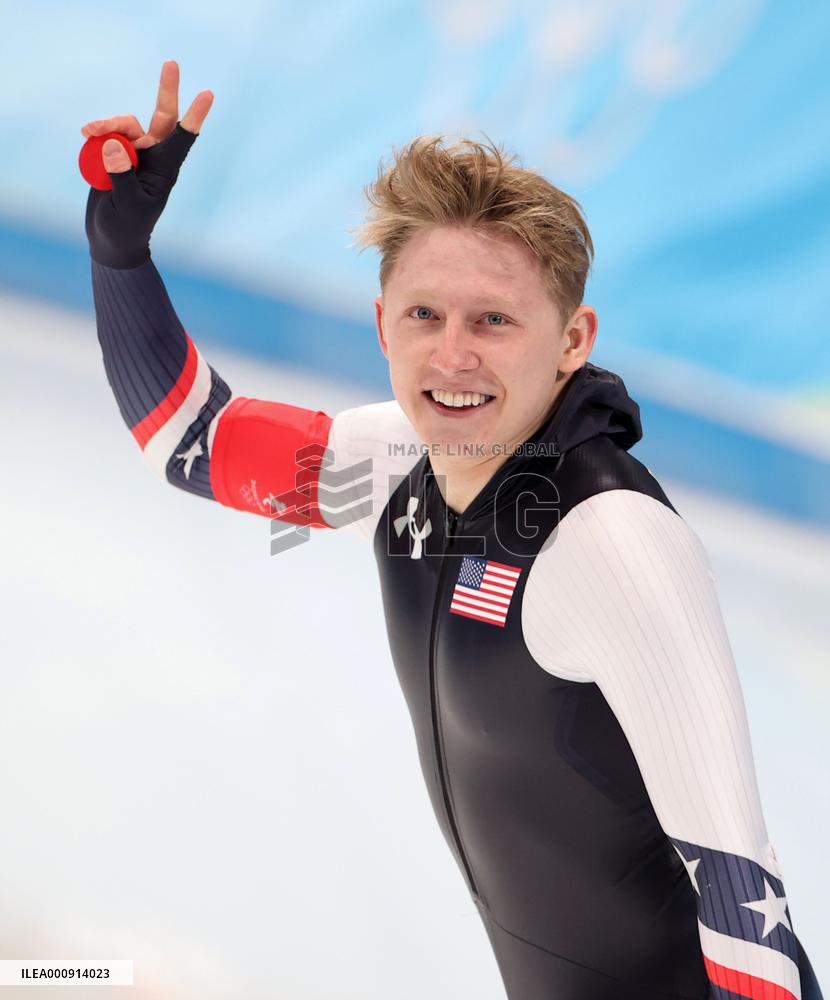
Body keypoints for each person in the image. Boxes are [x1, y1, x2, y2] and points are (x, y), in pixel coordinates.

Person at [81, 60, 823, 1000]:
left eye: (495, 320)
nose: (454, 354)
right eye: (425, 314)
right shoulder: (395, 462)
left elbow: (743, 901)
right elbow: (195, 443)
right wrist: (120, 257)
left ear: (573, 340)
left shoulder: (612, 545)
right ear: (382, 325)